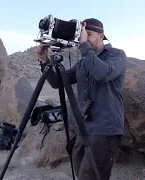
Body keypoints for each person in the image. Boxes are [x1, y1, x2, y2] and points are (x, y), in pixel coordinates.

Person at [35, 18, 127, 180]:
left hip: (105, 128)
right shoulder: (84, 62)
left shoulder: (116, 55)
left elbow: (102, 73)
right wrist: (45, 60)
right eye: (82, 36)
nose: (83, 39)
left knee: (90, 176)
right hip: (85, 128)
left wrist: (84, 46)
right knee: (81, 172)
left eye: (88, 35)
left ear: (101, 36)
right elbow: (58, 82)